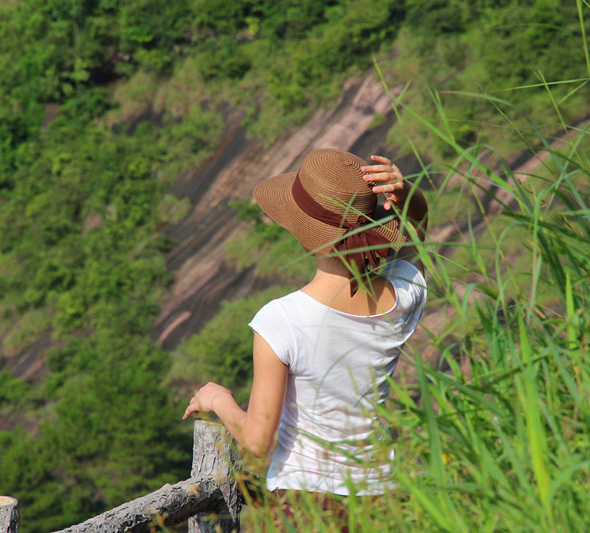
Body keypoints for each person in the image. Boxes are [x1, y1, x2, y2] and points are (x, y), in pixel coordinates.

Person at [183, 148, 428, 508]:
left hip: (307, 505)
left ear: (301, 230)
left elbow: (257, 443)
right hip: (383, 500)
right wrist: (408, 193)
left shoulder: (281, 319)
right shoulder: (404, 294)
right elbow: (421, 238)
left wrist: (217, 398)